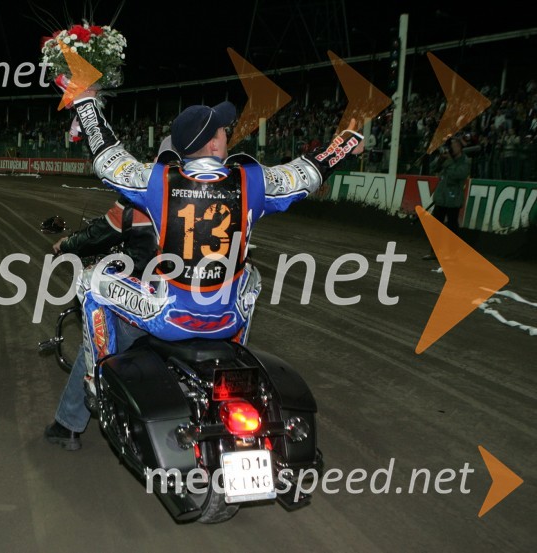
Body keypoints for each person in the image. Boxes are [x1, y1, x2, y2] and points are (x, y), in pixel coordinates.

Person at [62, 89, 363, 401]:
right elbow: (308, 174)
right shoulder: (253, 180)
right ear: (214, 143)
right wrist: (347, 142)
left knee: (90, 280)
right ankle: (232, 361)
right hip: (228, 317)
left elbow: (106, 157)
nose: (227, 134)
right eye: (223, 130)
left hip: (168, 318)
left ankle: (97, 377)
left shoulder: (156, 180)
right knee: (252, 276)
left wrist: (85, 103)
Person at [44, 196, 158, 449]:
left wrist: (69, 244)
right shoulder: (225, 189)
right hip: (205, 308)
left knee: (97, 341)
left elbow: (104, 231)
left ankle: (68, 423)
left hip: (145, 301)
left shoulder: (144, 187)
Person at [422, 136, 470, 261]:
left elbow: (458, 175)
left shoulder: (465, 161)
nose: (452, 148)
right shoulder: (447, 159)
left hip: (453, 199)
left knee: (452, 227)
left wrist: (448, 162)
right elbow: (432, 168)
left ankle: (452, 254)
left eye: (454, 146)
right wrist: (439, 160)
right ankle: (434, 252)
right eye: (451, 146)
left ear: (460, 147)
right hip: (441, 198)